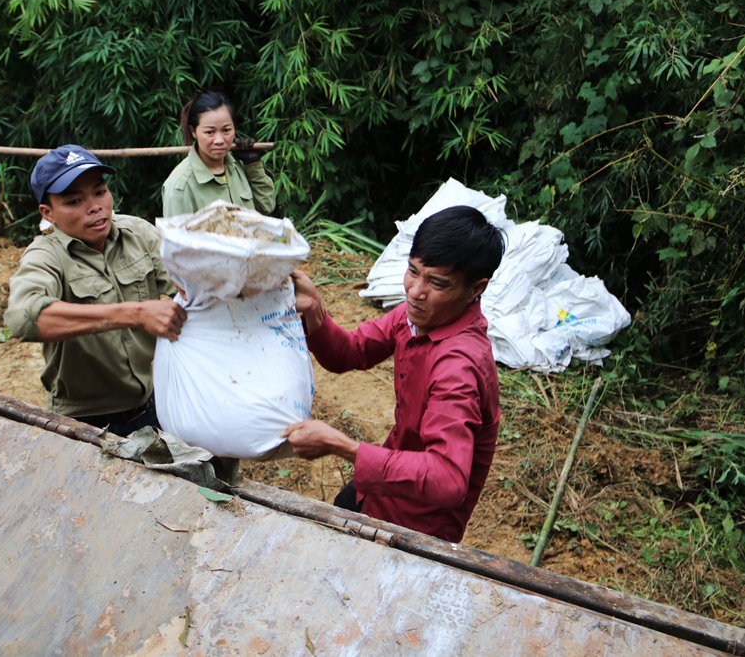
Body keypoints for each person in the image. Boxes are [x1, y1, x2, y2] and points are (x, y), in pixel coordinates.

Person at [282, 206, 506, 543]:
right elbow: (352, 352)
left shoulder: (459, 366)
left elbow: (447, 479)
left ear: (476, 289)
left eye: (437, 283)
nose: (415, 291)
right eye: (413, 271)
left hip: (419, 526)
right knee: (341, 511)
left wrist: (343, 446)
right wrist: (315, 310)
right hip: (382, 491)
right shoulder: (415, 318)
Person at [4, 145, 186, 436]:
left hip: (154, 402)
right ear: (48, 213)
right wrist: (133, 313)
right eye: (74, 200)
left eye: (100, 192)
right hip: (86, 421)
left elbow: (189, 283)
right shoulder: (45, 256)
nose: (95, 206)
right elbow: (23, 318)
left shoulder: (137, 233)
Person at [161, 90, 276, 217]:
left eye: (226, 130)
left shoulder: (238, 166)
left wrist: (252, 164)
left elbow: (267, 206)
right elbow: (176, 236)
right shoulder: (180, 186)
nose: (220, 140)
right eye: (210, 132)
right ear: (193, 131)